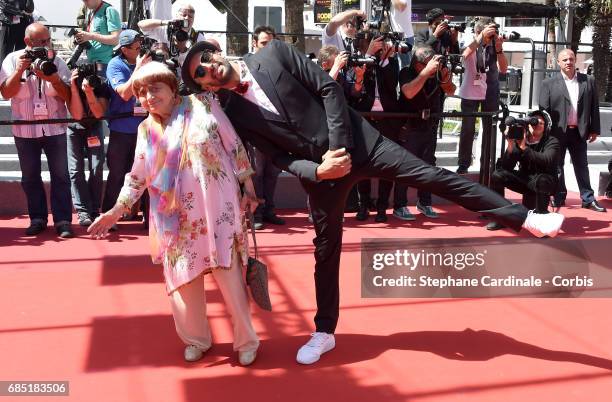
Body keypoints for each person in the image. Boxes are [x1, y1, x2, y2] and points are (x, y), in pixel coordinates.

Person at [181, 39, 565, 365]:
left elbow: (329, 90)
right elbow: (276, 157)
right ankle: (324, 331)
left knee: (435, 177)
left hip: (362, 144)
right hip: (323, 177)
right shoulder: (233, 112)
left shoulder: (274, 53)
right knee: (326, 249)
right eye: (200, 73)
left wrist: (337, 149)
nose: (209, 69)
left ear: (217, 51)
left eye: (207, 59)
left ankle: (525, 216)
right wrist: (318, 171)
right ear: (204, 85)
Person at [88, 61, 260, 366]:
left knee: (229, 274)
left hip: (216, 206)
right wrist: (116, 210)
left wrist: (247, 184)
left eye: (155, 89)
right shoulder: (146, 129)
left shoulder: (203, 104)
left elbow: (232, 143)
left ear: (171, 88)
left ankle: (246, 339)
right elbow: (138, 176)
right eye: (142, 93)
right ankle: (196, 338)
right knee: (183, 279)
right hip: (175, 217)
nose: (148, 97)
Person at [0, 22, 74, 237]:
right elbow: (6, 93)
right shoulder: (12, 60)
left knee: (61, 176)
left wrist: (53, 79)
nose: (45, 45)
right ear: (27, 42)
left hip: (55, 129)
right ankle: (38, 218)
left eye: (47, 40)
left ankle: (62, 221)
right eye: (40, 42)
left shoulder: (57, 61)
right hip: (25, 131)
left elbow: (68, 96)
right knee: (30, 176)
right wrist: (20, 70)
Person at [539, 48, 606, 213]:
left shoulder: (588, 80)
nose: (568, 62)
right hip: (557, 133)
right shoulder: (548, 83)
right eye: (565, 60)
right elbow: (543, 111)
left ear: (575, 60)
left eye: (571, 59)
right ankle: (559, 196)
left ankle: (588, 199)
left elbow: (594, 107)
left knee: (582, 166)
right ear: (558, 63)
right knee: (557, 166)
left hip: (579, 132)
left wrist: (594, 129)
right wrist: (543, 134)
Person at [396, 45, 457, 220]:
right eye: (429, 65)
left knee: (429, 165)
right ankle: (400, 205)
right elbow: (408, 92)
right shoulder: (406, 72)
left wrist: (444, 78)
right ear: (418, 64)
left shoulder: (434, 75)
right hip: (410, 127)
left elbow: (451, 91)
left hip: (430, 126)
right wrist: (425, 74)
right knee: (405, 166)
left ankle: (425, 202)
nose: (433, 68)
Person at [102, 30, 149, 229]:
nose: (140, 51)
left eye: (141, 46)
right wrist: (138, 69)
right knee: (118, 174)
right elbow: (123, 93)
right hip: (122, 129)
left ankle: (148, 215)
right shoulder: (115, 65)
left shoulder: (146, 63)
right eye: (136, 48)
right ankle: (108, 215)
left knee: (147, 174)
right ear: (124, 49)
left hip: (145, 129)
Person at [488, 110, 560, 230]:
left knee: (543, 180)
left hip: (545, 182)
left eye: (541, 123)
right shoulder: (521, 139)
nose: (537, 125)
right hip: (526, 180)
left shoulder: (551, 141)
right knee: (498, 175)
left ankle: (542, 221)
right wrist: (510, 145)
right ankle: (501, 218)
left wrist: (524, 148)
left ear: (546, 126)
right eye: (534, 123)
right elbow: (506, 167)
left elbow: (545, 160)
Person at [244, 25, 285, 229]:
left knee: (272, 172)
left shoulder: (280, 65)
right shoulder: (246, 65)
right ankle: (256, 213)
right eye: (263, 43)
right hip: (256, 128)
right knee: (257, 173)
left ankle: (269, 210)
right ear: (254, 43)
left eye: (271, 43)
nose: (268, 47)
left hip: (277, 130)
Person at [456, 17, 507, 175]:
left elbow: (503, 69)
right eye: (488, 34)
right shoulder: (470, 42)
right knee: (468, 129)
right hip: (470, 90)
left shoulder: (493, 45)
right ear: (478, 31)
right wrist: (479, 39)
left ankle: (487, 164)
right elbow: (464, 55)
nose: (490, 37)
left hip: (490, 90)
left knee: (489, 130)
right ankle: (463, 163)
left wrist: (498, 49)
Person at [66, 63, 112, 226]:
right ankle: (83, 211)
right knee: (76, 169)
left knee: (97, 167)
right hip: (74, 128)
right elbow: (77, 114)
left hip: (94, 126)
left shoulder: (100, 84)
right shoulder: (72, 83)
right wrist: (73, 87)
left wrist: (89, 91)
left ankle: (94, 209)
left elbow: (99, 113)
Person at [137, 2, 205, 67]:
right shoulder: (166, 29)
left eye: (190, 16)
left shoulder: (198, 37)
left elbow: (201, 62)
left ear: (193, 19)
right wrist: (165, 22)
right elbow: (141, 25)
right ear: (177, 16)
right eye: (184, 15)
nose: (186, 18)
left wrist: (183, 49)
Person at [73, 0, 121, 69]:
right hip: (92, 62)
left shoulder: (109, 10)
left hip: (105, 64)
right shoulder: (90, 12)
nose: (85, 3)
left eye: (86, 0)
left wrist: (91, 36)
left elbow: (116, 39)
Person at [390, 0, 414, 68]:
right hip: (394, 36)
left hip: (404, 37)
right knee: (394, 69)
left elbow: (401, 7)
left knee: (404, 70)